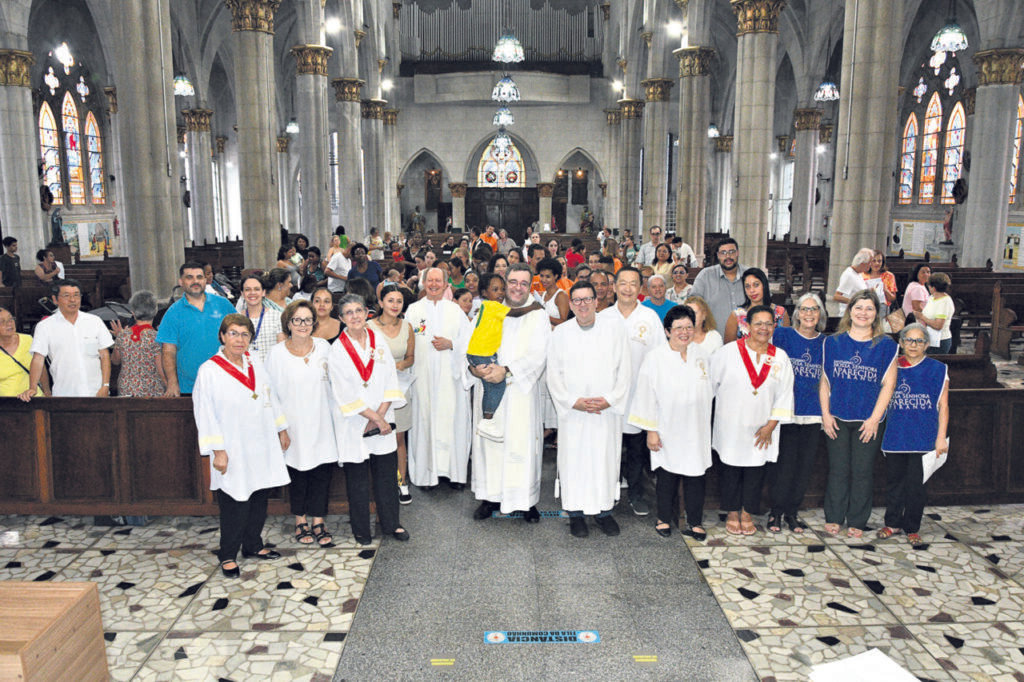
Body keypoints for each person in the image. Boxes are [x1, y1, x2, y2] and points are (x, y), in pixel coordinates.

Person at [193, 313, 290, 578]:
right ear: (222, 336)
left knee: (259, 495)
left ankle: (253, 545)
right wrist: (218, 451)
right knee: (235, 501)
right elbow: (205, 413)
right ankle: (227, 554)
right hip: (232, 446)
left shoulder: (255, 362)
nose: (239, 339)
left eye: (245, 334)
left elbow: (271, 395)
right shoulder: (209, 370)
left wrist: (281, 427)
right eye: (233, 333)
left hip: (260, 442)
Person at [464, 263, 551, 522]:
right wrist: (475, 368)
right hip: (489, 387)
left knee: (521, 446)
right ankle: (489, 497)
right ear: (506, 281)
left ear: (530, 286)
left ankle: (525, 501)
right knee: (489, 445)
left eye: (524, 283)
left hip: (520, 393)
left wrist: (507, 370)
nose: (517, 288)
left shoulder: (538, 315)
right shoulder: (488, 311)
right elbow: (470, 345)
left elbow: (539, 354)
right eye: (513, 282)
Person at [548, 281, 632, 538]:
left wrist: (610, 399)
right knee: (574, 461)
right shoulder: (560, 334)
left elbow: (625, 370)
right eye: (577, 300)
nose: (583, 304)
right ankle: (575, 513)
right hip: (574, 412)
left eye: (587, 299)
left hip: (605, 411)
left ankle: (603, 511)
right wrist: (574, 402)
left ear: (597, 301)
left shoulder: (615, 330)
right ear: (571, 304)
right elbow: (553, 375)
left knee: (604, 459)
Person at [329, 294, 410, 544]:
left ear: (367, 313)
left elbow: (390, 379)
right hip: (354, 421)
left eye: (358, 311)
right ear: (342, 318)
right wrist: (373, 417)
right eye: (348, 313)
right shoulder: (337, 350)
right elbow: (343, 391)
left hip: (381, 419)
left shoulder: (378, 342)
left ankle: (391, 524)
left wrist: (381, 416)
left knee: (386, 475)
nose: (354, 316)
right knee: (358, 479)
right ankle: (361, 528)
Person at [628, 305, 713, 540]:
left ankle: (695, 521)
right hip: (667, 427)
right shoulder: (655, 358)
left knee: (696, 475)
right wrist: (651, 431)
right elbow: (646, 396)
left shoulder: (702, 356)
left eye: (689, 327)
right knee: (667, 475)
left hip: (696, 427)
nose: (684, 332)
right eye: (678, 328)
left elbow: (711, 389)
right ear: (667, 331)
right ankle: (663, 518)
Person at [820, 289, 899, 538]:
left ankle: (857, 518)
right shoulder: (833, 342)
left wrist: (875, 419)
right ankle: (834, 516)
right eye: (859, 307)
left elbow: (889, 384)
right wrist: (825, 414)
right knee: (838, 469)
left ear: (876, 314)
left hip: (869, 419)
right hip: (837, 417)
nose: (863, 313)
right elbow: (824, 381)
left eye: (869, 308)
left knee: (862, 471)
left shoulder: (886, 346)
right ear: (849, 310)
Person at [711, 305, 795, 535]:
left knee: (755, 470)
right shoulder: (727, 352)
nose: (764, 328)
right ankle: (731, 512)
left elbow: (785, 394)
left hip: (763, 427)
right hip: (731, 423)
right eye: (758, 323)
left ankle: (747, 512)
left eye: (769, 323)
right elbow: (709, 386)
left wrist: (771, 426)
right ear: (747, 325)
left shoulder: (780, 357)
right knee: (730, 468)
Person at [265, 300, 339, 547]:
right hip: (293, 424)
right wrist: (280, 427)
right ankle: (301, 520)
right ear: (288, 323)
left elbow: (337, 382)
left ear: (314, 323)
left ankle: (319, 520)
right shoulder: (276, 354)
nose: (303, 325)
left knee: (321, 472)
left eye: (307, 320)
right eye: (297, 320)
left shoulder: (324, 348)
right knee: (298, 473)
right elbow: (269, 394)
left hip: (322, 422)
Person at [599, 266, 665, 516]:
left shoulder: (649, 319)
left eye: (633, 284)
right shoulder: (604, 317)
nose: (627, 288)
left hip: (640, 395)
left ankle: (637, 493)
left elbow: (659, 358)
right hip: (610, 396)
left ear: (641, 289)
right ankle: (609, 491)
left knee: (637, 449)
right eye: (622, 283)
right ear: (614, 287)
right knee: (610, 447)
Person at [876, 323, 949, 547]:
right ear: (901, 342)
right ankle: (892, 522)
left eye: (919, 341)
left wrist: (940, 437)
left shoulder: (938, 369)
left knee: (916, 486)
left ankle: (912, 527)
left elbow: (943, 406)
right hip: (897, 435)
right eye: (909, 340)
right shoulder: (892, 366)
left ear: (926, 344)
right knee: (895, 483)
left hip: (924, 436)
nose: (913, 345)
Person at [405, 267, 473, 489]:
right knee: (424, 421)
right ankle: (426, 474)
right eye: (429, 280)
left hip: (449, 380)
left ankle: (454, 474)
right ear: (423, 283)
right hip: (422, 379)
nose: (433, 284)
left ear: (446, 285)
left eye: (438, 281)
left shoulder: (455, 311)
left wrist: (451, 344)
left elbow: (470, 343)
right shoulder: (413, 311)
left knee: (452, 421)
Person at [767, 293, 827, 533]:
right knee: (784, 465)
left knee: (804, 467)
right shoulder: (782, 335)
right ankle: (775, 513)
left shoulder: (826, 343)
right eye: (804, 309)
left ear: (820, 314)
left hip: (812, 413)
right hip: (786, 411)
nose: (809, 314)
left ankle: (792, 513)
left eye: (814, 309)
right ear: (797, 313)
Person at [465, 273, 544, 421]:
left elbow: (538, 354)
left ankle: (488, 415)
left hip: (515, 384)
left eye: (502, 288)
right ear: (484, 293)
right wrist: (533, 307)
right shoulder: (494, 307)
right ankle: (488, 416)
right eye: (495, 289)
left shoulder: (490, 307)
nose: (501, 293)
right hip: (483, 356)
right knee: (494, 387)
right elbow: (515, 313)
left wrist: (507, 370)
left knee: (493, 387)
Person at [22, 279, 113, 399]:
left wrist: (105, 386)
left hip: (96, 392)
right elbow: (38, 359)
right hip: (64, 393)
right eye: (66, 296)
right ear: (55, 300)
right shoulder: (45, 326)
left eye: (76, 295)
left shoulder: (94, 321)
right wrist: (33, 387)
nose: (72, 300)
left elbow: (104, 355)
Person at [157, 262, 237, 397]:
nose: (195, 281)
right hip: (188, 387)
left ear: (205, 280)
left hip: (224, 382)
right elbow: (168, 351)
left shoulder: (223, 305)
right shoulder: (173, 312)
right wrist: (172, 382)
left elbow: (238, 338)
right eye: (189, 277)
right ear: (181, 282)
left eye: (199, 277)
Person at [369, 284, 417, 505]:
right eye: (390, 301)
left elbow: (410, 358)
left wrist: (397, 366)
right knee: (377, 436)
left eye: (399, 301)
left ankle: (402, 482)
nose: (395, 305)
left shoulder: (407, 326)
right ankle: (378, 484)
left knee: (399, 438)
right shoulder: (369, 327)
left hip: (399, 387)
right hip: (376, 391)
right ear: (380, 303)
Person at [110, 290, 166, 397]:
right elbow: (161, 369)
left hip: (126, 390)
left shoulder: (123, 335)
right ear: (155, 311)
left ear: (133, 313)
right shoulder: (156, 337)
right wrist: (170, 387)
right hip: (150, 392)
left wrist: (119, 339)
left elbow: (115, 361)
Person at [690, 237, 747, 333]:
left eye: (731, 252)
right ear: (718, 255)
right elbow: (693, 303)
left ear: (738, 253)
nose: (728, 256)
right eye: (723, 253)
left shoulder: (750, 274)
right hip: (715, 339)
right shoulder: (705, 275)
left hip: (747, 341)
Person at [723, 268, 790, 343]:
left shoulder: (781, 313)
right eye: (747, 286)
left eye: (756, 285)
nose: (752, 290)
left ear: (764, 285)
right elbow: (728, 349)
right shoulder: (737, 315)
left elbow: (786, 345)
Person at [1, 306, 49, 398]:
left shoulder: (28, 340)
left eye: (11, 319)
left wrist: (47, 392)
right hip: (5, 405)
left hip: (33, 399)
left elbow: (41, 369)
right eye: (2, 321)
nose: (9, 323)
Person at [236, 274, 286, 362]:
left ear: (263, 292)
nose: (252, 293)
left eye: (257, 289)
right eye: (247, 290)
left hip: (271, 370)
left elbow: (281, 349)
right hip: (246, 370)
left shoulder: (277, 316)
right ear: (242, 294)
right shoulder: (237, 319)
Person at [916, 272, 954, 354]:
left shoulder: (944, 301)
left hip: (940, 342)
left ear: (933, 287)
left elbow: (938, 325)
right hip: (928, 339)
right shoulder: (932, 298)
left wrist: (922, 317)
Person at [833, 247, 874, 316]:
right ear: (863, 263)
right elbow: (837, 296)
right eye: (869, 262)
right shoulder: (849, 275)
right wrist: (855, 302)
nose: (870, 265)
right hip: (849, 315)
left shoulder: (859, 274)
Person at [535, 258, 570, 327]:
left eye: (548, 277)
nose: (544, 280)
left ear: (556, 276)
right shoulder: (543, 294)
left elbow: (564, 322)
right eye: (541, 276)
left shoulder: (561, 296)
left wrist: (544, 317)